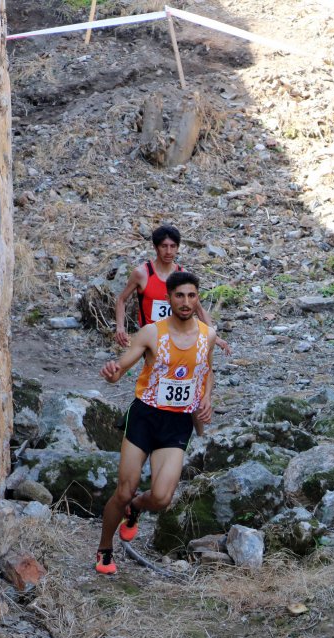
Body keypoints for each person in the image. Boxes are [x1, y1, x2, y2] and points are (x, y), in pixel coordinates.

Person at [96, 270, 216, 574]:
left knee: (161, 498)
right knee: (124, 489)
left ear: (197, 297)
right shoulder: (152, 332)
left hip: (177, 424)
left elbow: (207, 371)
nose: (186, 302)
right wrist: (113, 372)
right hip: (145, 418)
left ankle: (135, 508)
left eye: (191, 295)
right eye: (180, 295)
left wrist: (206, 399)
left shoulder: (207, 335)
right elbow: (122, 367)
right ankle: (104, 547)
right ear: (169, 298)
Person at [114, 224, 230, 354]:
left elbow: (198, 308)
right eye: (164, 246)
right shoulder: (142, 273)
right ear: (155, 247)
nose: (169, 252)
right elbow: (121, 300)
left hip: (179, 336)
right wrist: (120, 328)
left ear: (177, 248)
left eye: (173, 246)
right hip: (152, 338)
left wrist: (215, 336)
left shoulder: (182, 274)